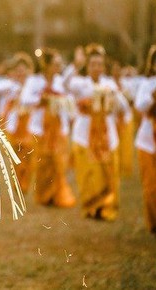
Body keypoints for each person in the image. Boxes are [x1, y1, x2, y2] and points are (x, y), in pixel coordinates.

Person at [67, 44, 130, 221]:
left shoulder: (109, 83)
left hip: (106, 134)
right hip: (84, 134)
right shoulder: (80, 83)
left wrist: (113, 94)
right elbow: (66, 84)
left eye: (99, 64)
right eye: (93, 64)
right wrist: (75, 65)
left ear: (104, 66)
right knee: (88, 174)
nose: (96, 67)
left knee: (108, 173)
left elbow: (123, 106)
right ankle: (91, 207)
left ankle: (107, 208)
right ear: (87, 66)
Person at [20, 48, 76, 207]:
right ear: (47, 65)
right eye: (56, 64)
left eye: (60, 64)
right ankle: (44, 196)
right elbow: (25, 99)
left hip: (59, 128)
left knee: (59, 162)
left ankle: (59, 195)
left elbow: (69, 98)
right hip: (39, 128)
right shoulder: (34, 81)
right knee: (43, 162)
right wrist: (41, 99)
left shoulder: (60, 81)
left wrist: (59, 99)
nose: (58, 67)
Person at [3, 52, 35, 194]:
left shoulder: (33, 86)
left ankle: (25, 183)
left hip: (29, 123)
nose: (21, 72)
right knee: (16, 154)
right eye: (18, 69)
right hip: (15, 125)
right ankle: (17, 183)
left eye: (24, 69)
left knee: (28, 154)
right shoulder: (10, 86)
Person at [134, 44, 156, 234]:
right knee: (150, 185)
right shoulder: (147, 84)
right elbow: (140, 106)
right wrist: (153, 96)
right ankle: (154, 223)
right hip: (148, 141)